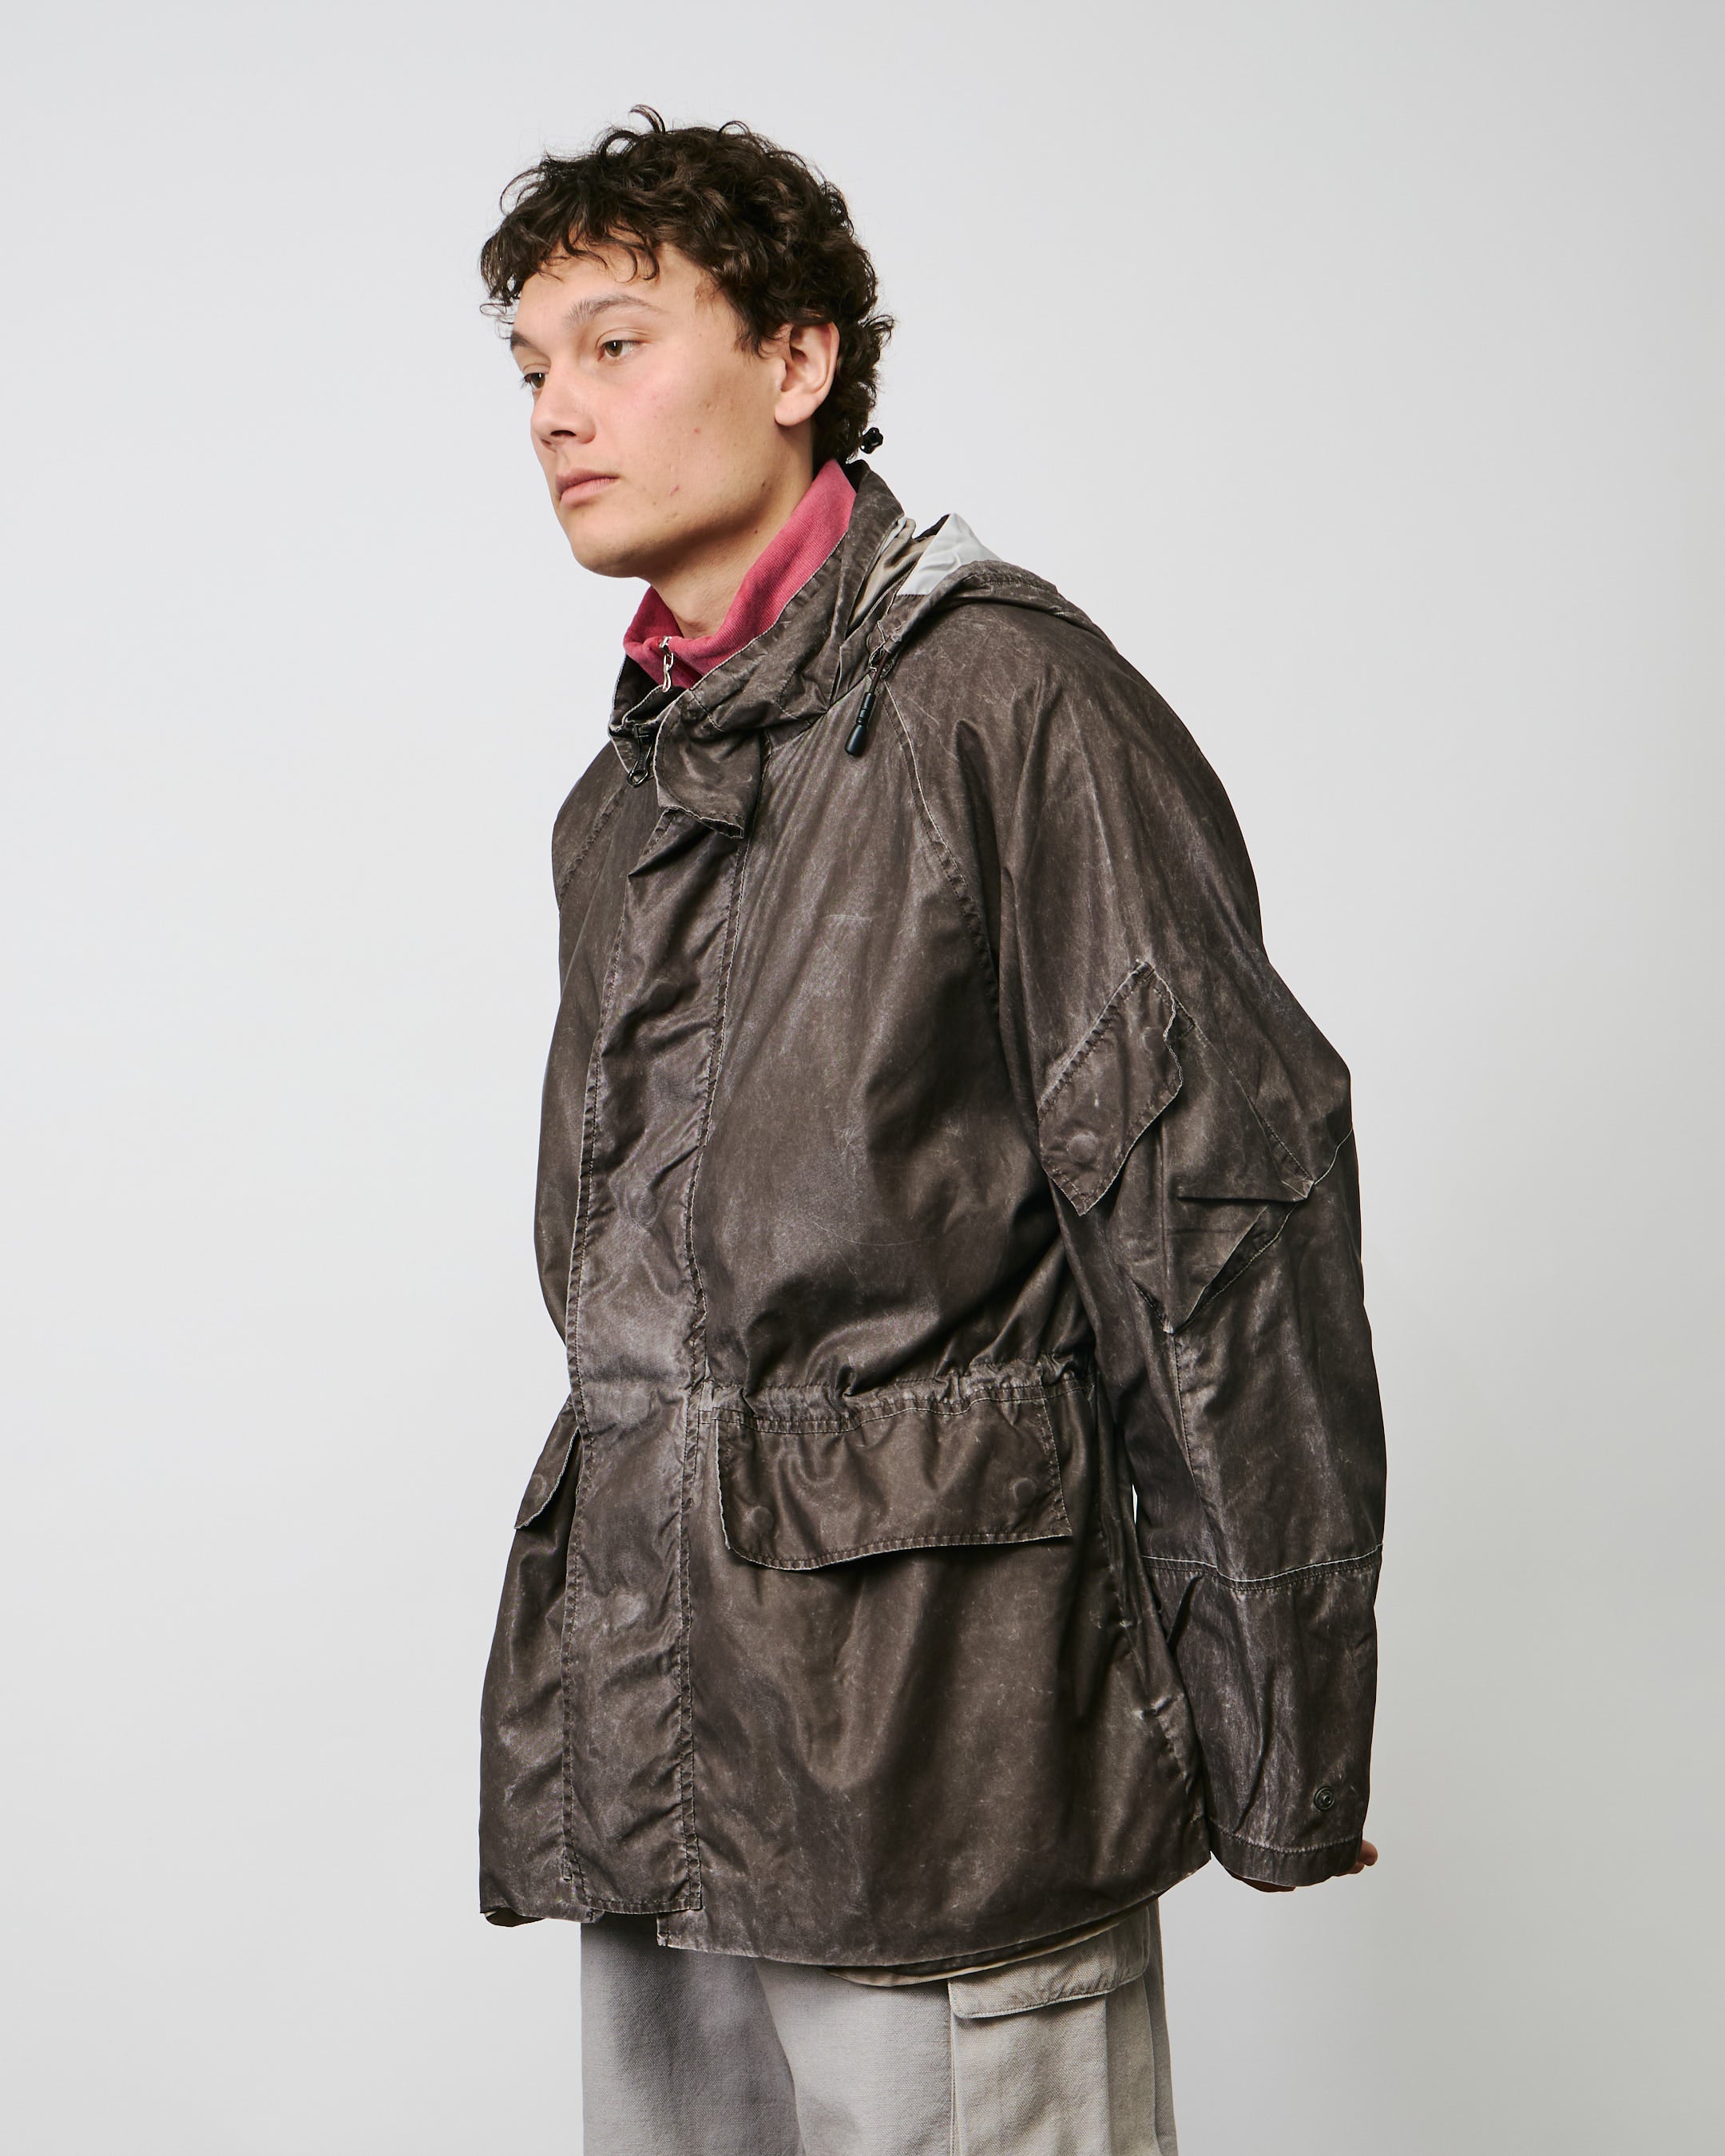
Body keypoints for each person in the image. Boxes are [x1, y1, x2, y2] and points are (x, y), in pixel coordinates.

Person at [474, 107, 1386, 2156]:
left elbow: (1220, 1219)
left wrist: (1285, 1725)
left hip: (946, 1769)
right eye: (529, 368)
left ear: (797, 360)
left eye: (616, 345)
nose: (556, 413)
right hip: (663, 1776)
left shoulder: (1008, 709)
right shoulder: (623, 803)